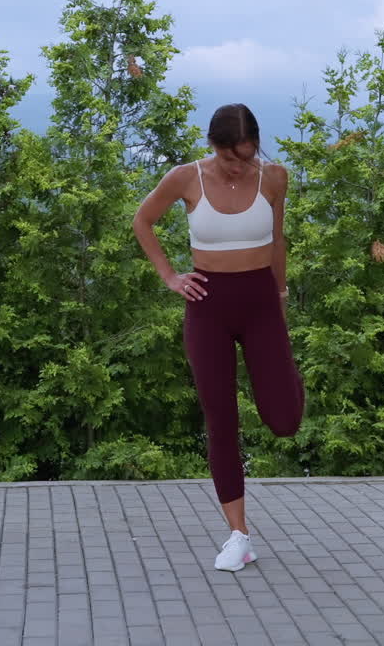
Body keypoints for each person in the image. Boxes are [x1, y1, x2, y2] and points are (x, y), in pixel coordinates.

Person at [132, 103, 306, 572]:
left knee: (284, 419)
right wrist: (170, 277)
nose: (240, 166)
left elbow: (277, 241)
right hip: (207, 306)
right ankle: (239, 534)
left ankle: (292, 380)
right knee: (220, 418)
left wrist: (282, 296)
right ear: (214, 146)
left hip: (261, 303)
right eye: (232, 158)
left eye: (249, 156)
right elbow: (141, 221)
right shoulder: (185, 178)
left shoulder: (273, 178)